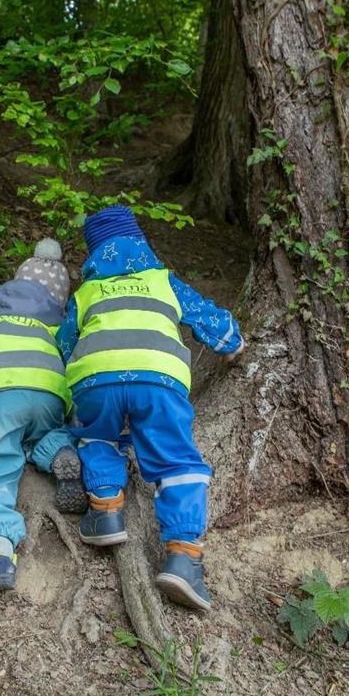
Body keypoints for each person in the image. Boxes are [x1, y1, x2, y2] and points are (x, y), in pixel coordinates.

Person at [56, 206, 244, 611]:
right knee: (176, 459)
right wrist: (232, 341)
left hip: (96, 378)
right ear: (142, 244)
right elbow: (204, 316)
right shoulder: (163, 282)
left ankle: (106, 511)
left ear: (93, 255)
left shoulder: (86, 293)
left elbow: (65, 343)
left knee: (97, 434)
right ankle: (183, 555)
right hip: (159, 379)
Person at [0, 238, 85, 592]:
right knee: (45, 430)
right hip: (48, 395)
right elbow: (72, 364)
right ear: (60, 298)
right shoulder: (59, 323)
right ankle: (59, 452)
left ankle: (0, 548)